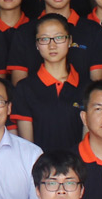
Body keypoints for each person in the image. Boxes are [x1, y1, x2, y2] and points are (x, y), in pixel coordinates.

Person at [11, 14, 88, 152]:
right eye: (45, 39)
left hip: (76, 164)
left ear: (69, 40)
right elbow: (28, 147)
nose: (52, 45)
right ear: (37, 44)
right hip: (40, 164)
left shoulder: (87, 87)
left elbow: (87, 143)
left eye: (59, 38)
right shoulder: (25, 88)